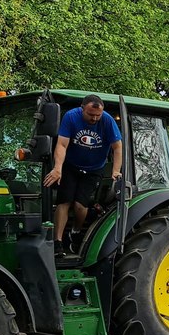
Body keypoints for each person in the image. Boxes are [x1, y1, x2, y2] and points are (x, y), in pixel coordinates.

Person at [43, 95, 123, 257]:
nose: (94, 118)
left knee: (80, 205)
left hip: (94, 168)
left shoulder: (107, 121)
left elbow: (117, 147)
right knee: (64, 201)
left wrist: (115, 170)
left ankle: (75, 231)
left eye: (98, 115)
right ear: (82, 109)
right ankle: (57, 242)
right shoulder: (71, 117)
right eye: (91, 114)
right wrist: (57, 168)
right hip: (70, 166)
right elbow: (62, 144)